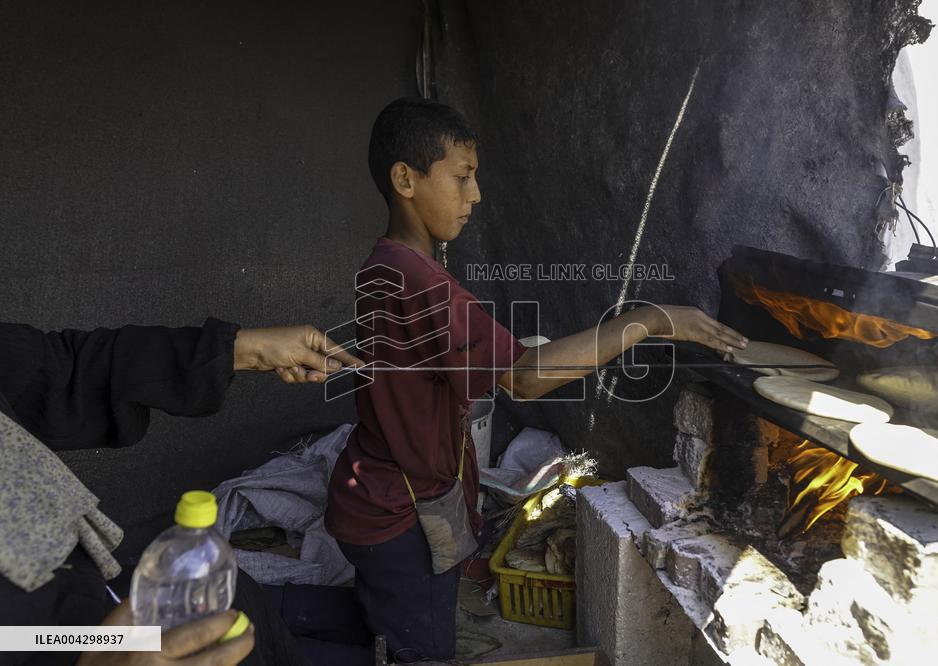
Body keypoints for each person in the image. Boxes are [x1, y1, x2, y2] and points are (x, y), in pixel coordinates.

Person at [323, 97, 747, 662]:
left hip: (376, 497)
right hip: (398, 516)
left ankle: (275, 619)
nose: (475, 195)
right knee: (419, 651)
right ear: (405, 178)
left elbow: (445, 364)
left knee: (388, 619)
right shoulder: (420, 280)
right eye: (462, 177)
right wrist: (651, 320)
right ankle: (262, 626)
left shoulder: (386, 264)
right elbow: (523, 382)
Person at [0, 318, 361, 665]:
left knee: (234, 597)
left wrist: (235, 351)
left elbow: (50, 371)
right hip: (44, 638)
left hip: (68, 619)